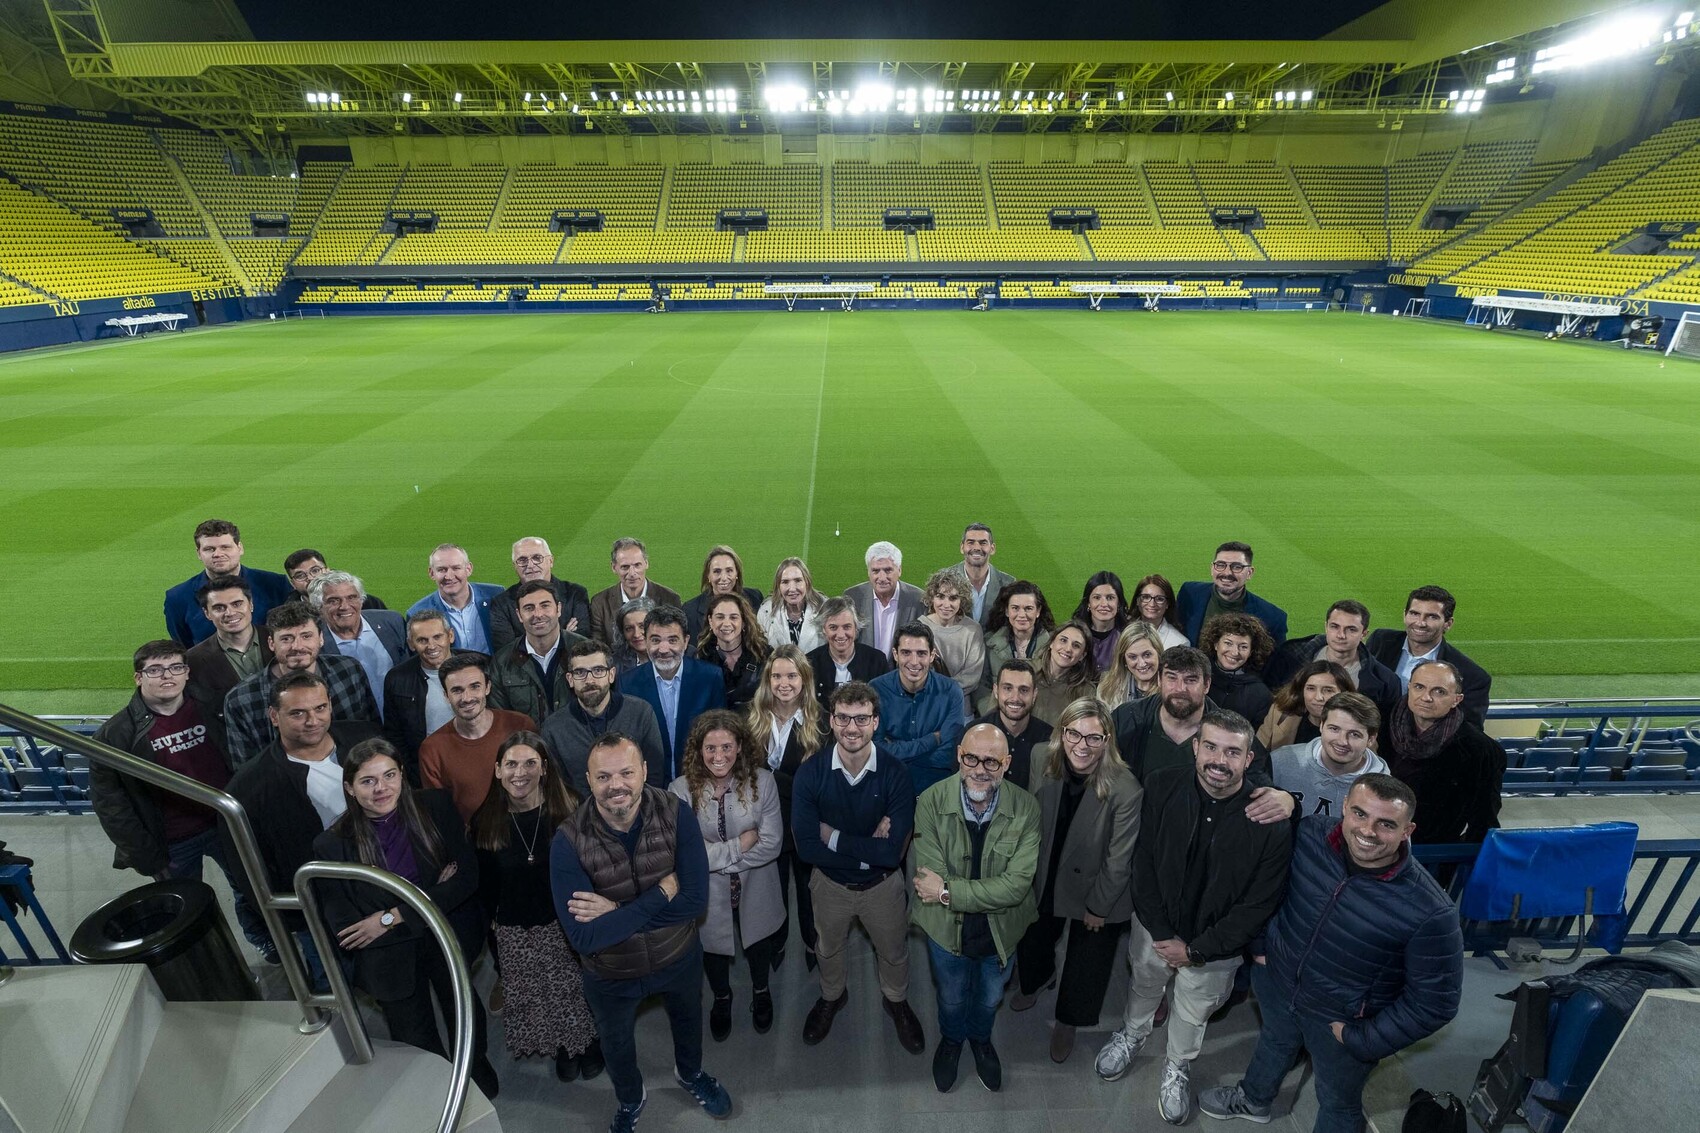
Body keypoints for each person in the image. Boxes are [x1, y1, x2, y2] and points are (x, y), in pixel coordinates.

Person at [1198, 775, 1463, 1132]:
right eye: (1360, 814)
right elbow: (1267, 887)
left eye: (1386, 824)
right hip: (1278, 983)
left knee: (1337, 1103)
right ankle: (1253, 1099)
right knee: (1274, 1041)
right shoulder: (1310, 835)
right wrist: (1261, 947)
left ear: (1407, 830)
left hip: (1340, 1022)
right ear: (1344, 807)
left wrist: (1364, 1039)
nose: (1368, 831)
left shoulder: (1431, 911)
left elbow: (1435, 1003)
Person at [1094, 710, 1293, 1125]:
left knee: (1192, 1010)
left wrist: (1197, 950)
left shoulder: (1269, 821)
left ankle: (1177, 1064)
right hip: (1155, 928)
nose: (1220, 760)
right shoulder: (1162, 784)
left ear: (1249, 759)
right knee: (1144, 984)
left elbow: (1259, 903)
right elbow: (1144, 862)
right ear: (1196, 747)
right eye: (1212, 747)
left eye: (1233, 752)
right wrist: (1161, 931)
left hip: (1215, 947)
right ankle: (1132, 1033)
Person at [551, 733, 732, 1132]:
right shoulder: (567, 841)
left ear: (645, 771)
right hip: (610, 974)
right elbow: (583, 937)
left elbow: (694, 902)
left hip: (678, 956)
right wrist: (660, 895)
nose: (616, 785)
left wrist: (615, 911)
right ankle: (631, 1098)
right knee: (616, 1046)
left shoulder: (676, 813)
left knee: (688, 1023)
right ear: (588, 779)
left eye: (626, 773)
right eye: (603, 777)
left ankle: (690, 1074)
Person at [312, 738, 501, 1098]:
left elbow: (466, 878)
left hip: (443, 935)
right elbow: (348, 929)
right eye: (368, 781)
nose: (381, 788)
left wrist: (388, 918)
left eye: (389, 775)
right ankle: (435, 1085)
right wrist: (433, 896)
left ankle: (475, 1066)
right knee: (413, 1033)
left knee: (463, 1010)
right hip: (392, 956)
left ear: (402, 774)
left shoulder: (435, 807)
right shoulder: (331, 845)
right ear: (349, 788)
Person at [91, 639, 268, 955]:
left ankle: (264, 941)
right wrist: (144, 853)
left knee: (250, 888)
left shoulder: (217, 707)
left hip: (225, 824)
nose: (167, 676)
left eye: (175, 667)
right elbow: (111, 805)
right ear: (138, 677)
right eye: (155, 670)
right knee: (185, 909)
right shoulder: (115, 734)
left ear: (187, 673)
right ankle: (208, 962)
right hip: (172, 842)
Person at [222, 672, 381, 986]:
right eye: (297, 713)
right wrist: (294, 916)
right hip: (319, 908)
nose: (312, 721)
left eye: (320, 708)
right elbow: (246, 868)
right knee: (334, 982)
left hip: (385, 883)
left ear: (330, 705)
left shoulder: (367, 739)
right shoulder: (250, 787)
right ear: (274, 717)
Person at [791, 681, 925, 1054]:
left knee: (893, 950)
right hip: (829, 886)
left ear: (876, 721)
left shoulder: (896, 773)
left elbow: (892, 855)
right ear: (831, 721)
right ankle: (832, 995)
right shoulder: (810, 774)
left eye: (862, 718)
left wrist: (832, 837)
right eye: (844, 718)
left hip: (882, 886)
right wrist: (870, 848)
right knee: (828, 948)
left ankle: (896, 1000)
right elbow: (806, 848)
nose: (852, 728)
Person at [1011, 698, 1142, 1064]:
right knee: (1033, 937)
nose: (1082, 746)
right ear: (1062, 732)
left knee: (1087, 961)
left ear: (1107, 740)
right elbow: (1029, 815)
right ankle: (1037, 979)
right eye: (1074, 734)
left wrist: (1099, 907)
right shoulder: (1041, 756)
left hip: (1099, 884)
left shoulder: (1126, 788)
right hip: (1048, 866)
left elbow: (1119, 860)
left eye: (1094, 738)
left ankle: (1068, 1019)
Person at [911, 723, 1041, 1092]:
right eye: (971, 758)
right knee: (951, 998)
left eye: (991, 761)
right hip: (945, 931)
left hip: (1001, 932)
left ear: (1007, 763)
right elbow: (928, 876)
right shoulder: (930, 801)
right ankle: (952, 1040)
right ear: (958, 756)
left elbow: (1016, 886)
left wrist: (947, 891)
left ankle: (981, 1039)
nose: (980, 769)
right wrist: (964, 892)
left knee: (989, 998)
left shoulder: (1027, 808)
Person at [471, 731, 601, 1083]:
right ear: (498, 770)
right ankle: (565, 1047)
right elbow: (485, 884)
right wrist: (493, 927)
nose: (520, 773)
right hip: (516, 928)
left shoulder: (571, 808)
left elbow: (594, 867)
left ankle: (590, 1044)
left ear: (544, 768)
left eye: (530, 763)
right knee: (540, 995)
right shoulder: (486, 820)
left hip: (566, 922)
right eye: (511, 764)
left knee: (575, 991)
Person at [670, 711, 784, 1041]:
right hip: (708, 895)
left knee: (759, 943)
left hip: (757, 886)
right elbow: (684, 854)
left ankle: (761, 991)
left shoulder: (764, 782)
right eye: (710, 748)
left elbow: (772, 845)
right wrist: (739, 846)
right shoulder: (679, 790)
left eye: (726, 747)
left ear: (740, 747)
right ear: (698, 750)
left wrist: (713, 860)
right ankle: (722, 997)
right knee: (713, 950)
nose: (719, 756)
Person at [223, 603, 379, 765]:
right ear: (271, 643)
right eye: (286, 639)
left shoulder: (349, 670)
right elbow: (246, 768)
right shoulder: (241, 699)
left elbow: (372, 731)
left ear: (321, 638)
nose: (297, 646)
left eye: (306, 636)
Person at [747, 646, 823, 970]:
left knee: (809, 891)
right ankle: (776, 943)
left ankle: (812, 944)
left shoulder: (821, 722)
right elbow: (745, 776)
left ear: (804, 679)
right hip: (764, 825)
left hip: (804, 824)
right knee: (772, 891)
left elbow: (816, 785)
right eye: (776, 676)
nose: (784, 683)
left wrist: (771, 777)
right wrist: (787, 781)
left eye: (792, 675)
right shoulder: (751, 719)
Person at [1380, 661, 1506, 844]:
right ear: (1409, 687)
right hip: (1370, 839)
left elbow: (1484, 818)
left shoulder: (1481, 750)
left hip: (1431, 850)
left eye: (1439, 691)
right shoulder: (1379, 725)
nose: (1426, 697)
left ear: (1457, 700)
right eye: (1419, 687)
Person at [418, 654, 536, 824]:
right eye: (457, 690)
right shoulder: (432, 750)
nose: (467, 698)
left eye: (474, 687)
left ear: (488, 687)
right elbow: (440, 815)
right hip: (472, 838)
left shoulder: (521, 725)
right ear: (446, 696)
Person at [542, 640, 668, 795]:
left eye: (598, 670)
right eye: (580, 672)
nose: (589, 680)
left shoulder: (641, 713)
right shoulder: (554, 728)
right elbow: (558, 788)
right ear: (570, 679)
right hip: (581, 809)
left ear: (611, 675)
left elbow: (654, 774)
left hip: (638, 806)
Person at [620, 605, 727, 780]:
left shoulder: (710, 678)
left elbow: (720, 733)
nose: (663, 649)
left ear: (685, 641)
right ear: (646, 641)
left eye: (672, 640)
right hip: (650, 784)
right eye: (655, 640)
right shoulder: (627, 684)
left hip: (699, 779)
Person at [1366, 586, 1492, 728]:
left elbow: (1469, 731)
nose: (1421, 623)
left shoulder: (1473, 677)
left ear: (1448, 624)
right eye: (1414, 613)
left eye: (1432, 617)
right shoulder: (1381, 641)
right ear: (1404, 615)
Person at [870, 622, 969, 796]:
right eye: (906, 653)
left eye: (921, 653)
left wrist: (897, 749)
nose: (914, 662)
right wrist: (932, 740)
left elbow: (948, 755)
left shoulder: (951, 692)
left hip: (937, 785)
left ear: (932, 656)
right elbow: (875, 750)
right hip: (888, 784)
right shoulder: (876, 689)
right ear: (895, 654)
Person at [164, 519, 293, 646]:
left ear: (240, 548)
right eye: (209, 549)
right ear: (199, 553)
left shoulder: (275, 584)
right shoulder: (177, 597)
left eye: (225, 547)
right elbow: (184, 647)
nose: (218, 554)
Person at [1264, 600, 1400, 720]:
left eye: (1351, 629)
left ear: (1364, 634)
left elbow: (1383, 727)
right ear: (1326, 626)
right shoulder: (1290, 655)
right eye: (1335, 626)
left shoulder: (1385, 681)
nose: (1341, 635)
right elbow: (1269, 701)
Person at [1272, 692, 1388, 818]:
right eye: (1334, 729)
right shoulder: (1280, 761)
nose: (1342, 741)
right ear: (1321, 726)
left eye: (1354, 734)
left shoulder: (1384, 792)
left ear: (1371, 739)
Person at [488, 580, 587, 725]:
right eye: (529, 608)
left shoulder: (588, 652)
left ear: (558, 609)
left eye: (545, 606)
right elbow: (501, 719)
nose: (538, 614)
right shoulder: (502, 662)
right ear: (519, 615)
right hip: (525, 739)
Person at [310, 571, 408, 715]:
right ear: (318, 607)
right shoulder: (315, 645)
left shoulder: (392, 622)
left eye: (352, 597)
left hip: (404, 719)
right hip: (356, 725)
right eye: (333, 601)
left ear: (361, 600)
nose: (344, 606)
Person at [382, 611, 460, 785]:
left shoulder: (479, 665)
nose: (431, 646)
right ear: (411, 644)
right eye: (422, 640)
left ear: (450, 636)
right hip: (427, 769)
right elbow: (394, 734)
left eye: (437, 637)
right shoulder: (397, 679)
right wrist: (411, 773)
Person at [185, 574, 270, 719]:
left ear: (251, 605)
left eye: (237, 604)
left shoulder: (281, 640)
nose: (230, 613)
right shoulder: (193, 660)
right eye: (219, 608)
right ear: (207, 613)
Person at [1176, 541, 1289, 649]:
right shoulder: (1189, 592)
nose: (1227, 573)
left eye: (1237, 567)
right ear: (1212, 568)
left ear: (1249, 573)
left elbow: (1276, 661)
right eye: (1220, 565)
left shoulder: (1272, 618)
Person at [489, 537, 592, 654]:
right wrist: (564, 636)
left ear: (551, 561)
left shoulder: (575, 593)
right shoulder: (501, 603)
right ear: (515, 566)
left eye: (537, 558)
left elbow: (582, 642)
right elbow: (506, 650)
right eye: (522, 560)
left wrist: (527, 641)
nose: (530, 565)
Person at [805, 596, 892, 725]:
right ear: (823, 629)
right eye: (833, 627)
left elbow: (885, 707)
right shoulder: (809, 663)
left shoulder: (876, 660)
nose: (840, 635)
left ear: (856, 628)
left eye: (847, 627)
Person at [407, 543, 505, 657]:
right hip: (450, 668)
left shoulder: (496, 594)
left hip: (496, 666)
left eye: (456, 568)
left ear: (468, 569)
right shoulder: (417, 612)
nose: (449, 576)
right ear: (432, 573)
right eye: (441, 570)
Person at [971, 659, 1052, 791]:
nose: (1015, 698)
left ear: (1034, 695)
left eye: (1024, 690)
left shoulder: (1049, 739)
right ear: (996, 691)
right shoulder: (973, 734)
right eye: (1008, 688)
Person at [977, 580, 1055, 713]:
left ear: (1038, 611)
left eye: (1028, 608)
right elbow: (982, 687)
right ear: (1007, 611)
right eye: (1015, 608)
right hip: (998, 716)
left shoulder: (1054, 646)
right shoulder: (989, 642)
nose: (1022, 615)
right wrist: (993, 715)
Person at [589, 537, 683, 647]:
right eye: (625, 567)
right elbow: (598, 646)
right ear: (614, 567)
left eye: (637, 565)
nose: (632, 573)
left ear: (646, 564)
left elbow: (676, 642)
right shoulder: (600, 603)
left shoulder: (670, 599)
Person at [844, 540, 926, 656]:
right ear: (868, 572)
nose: (882, 578)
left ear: (899, 570)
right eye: (875, 571)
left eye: (888, 570)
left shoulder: (918, 599)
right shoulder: (853, 597)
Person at [920, 568, 987, 706]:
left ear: (962, 600)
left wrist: (941, 691)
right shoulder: (919, 627)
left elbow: (972, 676)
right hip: (926, 705)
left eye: (953, 598)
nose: (946, 605)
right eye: (940, 596)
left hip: (961, 708)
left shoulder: (972, 629)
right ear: (932, 597)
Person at [1201, 612, 1276, 729]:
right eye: (1228, 643)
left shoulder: (1260, 694)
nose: (1235, 652)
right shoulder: (1197, 676)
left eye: (1243, 647)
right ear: (1216, 644)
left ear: (1251, 652)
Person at [1257, 660, 1354, 751]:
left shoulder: (1358, 724)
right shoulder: (1280, 712)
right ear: (1301, 691)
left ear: (1344, 693)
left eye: (1328, 690)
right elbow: (1257, 753)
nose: (1318, 697)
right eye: (1311, 688)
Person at [694, 592, 768, 711]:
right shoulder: (700, 658)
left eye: (733, 617)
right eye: (720, 617)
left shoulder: (764, 655)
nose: (727, 624)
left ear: (743, 622)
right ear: (710, 621)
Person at [681, 545, 765, 644]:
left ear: (737, 573)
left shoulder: (755, 598)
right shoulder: (690, 611)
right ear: (708, 575)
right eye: (717, 571)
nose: (724, 578)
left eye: (729, 571)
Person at [946, 522, 1015, 628]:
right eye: (971, 542)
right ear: (962, 547)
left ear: (992, 548)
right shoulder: (944, 580)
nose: (977, 547)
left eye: (983, 543)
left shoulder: (1009, 584)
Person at [1032, 621, 1097, 726]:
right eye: (1063, 640)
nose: (1068, 649)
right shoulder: (1025, 671)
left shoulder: (1086, 691)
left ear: (1082, 655)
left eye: (1076, 646)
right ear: (1051, 643)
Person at [755, 556, 826, 652]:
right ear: (778, 586)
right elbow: (760, 650)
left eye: (798, 580)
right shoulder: (766, 611)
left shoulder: (825, 608)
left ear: (807, 582)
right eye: (785, 582)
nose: (792, 589)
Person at [285, 550, 388, 609]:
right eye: (300, 576)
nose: (310, 578)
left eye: (315, 570)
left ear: (328, 571)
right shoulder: (288, 614)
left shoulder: (369, 603)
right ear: (293, 584)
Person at [1096, 622, 1165, 710]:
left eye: (1147, 655)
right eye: (1133, 657)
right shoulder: (1107, 688)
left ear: (1158, 653)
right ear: (1124, 659)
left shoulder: (1171, 688)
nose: (1141, 663)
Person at [1072, 571, 1131, 674]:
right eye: (1097, 597)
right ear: (1088, 603)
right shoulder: (1073, 634)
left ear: (1118, 603)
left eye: (1110, 598)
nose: (1104, 604)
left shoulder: (1129, 636)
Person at [1131, 574, 1189, 650]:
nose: (1152, 604)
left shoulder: (1179, 643)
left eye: (1159, 599)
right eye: (1146, 597)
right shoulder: (1121, 631)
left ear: (1167, 604)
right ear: (1137, 601)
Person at [611, 596, 655, 675]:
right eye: (629, 629)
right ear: (622, 632)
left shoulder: (675, 657)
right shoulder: (615, 665)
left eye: (642, 626)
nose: (636, 634)